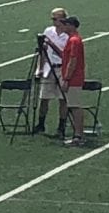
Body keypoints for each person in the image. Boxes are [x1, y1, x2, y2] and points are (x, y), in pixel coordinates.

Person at [31, 9, 70, 137]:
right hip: (49, 66)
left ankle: (61, 126)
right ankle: (41, 124)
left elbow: (64, 55)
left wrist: (52, 44)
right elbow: (43, 51)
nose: (53, 21)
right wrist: (40, 68)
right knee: (44, 97)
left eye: (56, 19)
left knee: (62, 99)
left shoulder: (67, 35)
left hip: (62, 67)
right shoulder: (48, 31)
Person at [58, 16, 89, 145]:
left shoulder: (74, 41)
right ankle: (78, 134)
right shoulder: (73, 39)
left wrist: (66, 78)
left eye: (65, 24)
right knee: (73, 105)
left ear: (71, 25)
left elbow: (73, 61)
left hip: (73, 79)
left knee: (75, 106)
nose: (63, 26)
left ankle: (78, 135)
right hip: (74, 78)